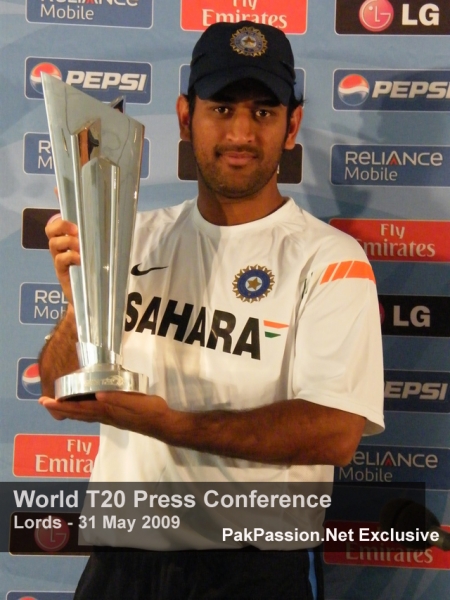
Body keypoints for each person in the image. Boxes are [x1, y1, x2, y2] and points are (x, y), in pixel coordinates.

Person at [39, 20, 384, 600]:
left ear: (291, 125)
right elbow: (59, 387)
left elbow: (334, 431)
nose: (241, 132)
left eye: (263, 112)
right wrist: (81, 303)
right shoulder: (131, 238)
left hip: (249, 573)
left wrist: (169, 425)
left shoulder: (327, 259)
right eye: (222, 109)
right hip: (120, 569)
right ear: (184, 117)